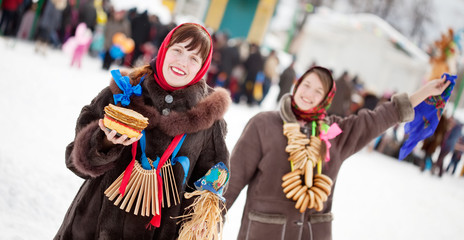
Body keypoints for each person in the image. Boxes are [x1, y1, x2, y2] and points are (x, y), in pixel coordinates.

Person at [223, 66, 450, 240]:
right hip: (265, 233)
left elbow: (379, 118)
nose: (309, 94)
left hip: (314, 233)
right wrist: (208, 219)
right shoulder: (263, 125)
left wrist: (425, 92)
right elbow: (233, 180)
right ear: (297, 85)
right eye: (306, 85)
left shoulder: (336, 133)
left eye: (318, 91)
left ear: (326, 99)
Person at [55, 23, 231, 240]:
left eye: (194, 58)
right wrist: (105, 144)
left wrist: (201, 220)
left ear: (202, 68)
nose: (182, 62)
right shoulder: (121, 93)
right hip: (91, 228)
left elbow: (213, 186)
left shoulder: (208, 120)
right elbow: (74, 162)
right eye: (178, 50)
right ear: (165, 49)